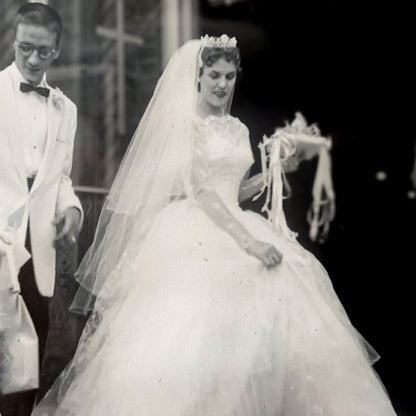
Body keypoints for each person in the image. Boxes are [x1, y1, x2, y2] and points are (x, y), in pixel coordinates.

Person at [33, 35, 396, 415]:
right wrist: (249, 244)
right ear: (199, 76)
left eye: (229, 76)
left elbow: (233, 192)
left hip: (234, 220)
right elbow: (203, 192)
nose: (222, 85)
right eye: (214, 76)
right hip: (196, 230)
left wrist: (273, 172)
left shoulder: (237, 128)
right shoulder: (186, 126)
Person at [0, 3, 83, 415]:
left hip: (39, 249)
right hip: (0, 236)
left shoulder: (65, 109)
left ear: (57, 50)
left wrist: (72, 210)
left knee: (25, 359)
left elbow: (60, 178)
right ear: (13, 43)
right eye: (24, 49)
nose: (33, 60)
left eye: (43, 51)